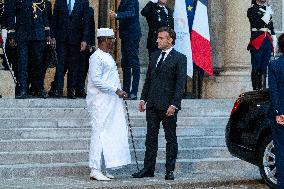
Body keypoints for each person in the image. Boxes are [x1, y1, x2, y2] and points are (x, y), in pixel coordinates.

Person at [132, 27, 187, 180]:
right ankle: (148, 169)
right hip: (152, 105)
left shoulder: (180, 58)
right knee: (150, 139)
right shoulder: (154, 55)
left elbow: (180, 84)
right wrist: (143, 98)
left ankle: (169, 170)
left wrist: (174, 105)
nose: (157, 40)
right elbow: (149, 79)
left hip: (168, 106)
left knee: (170, 139)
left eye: (161, 38)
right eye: (158, 38)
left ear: (170, 40)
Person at [86, 28, 131, 181]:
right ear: (103, 39)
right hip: (100, 102)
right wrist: (116, 90)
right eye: (111, 38)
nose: (113, 41)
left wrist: (118, 91)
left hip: (110, 102)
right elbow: (96, 80)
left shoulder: (107, 56)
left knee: (108, 133)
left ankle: (103, 167)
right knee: (99, 134)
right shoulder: (96, 57)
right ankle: (94, 168)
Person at [6, 0, 52, 99]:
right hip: (22, 34)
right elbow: (11, 14)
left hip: (38, 35)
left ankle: (39, 88)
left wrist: (48, 34)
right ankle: (23, 89)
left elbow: (44, 15)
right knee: (22, 63)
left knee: (39, 63)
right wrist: (11, 35)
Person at [49, 0, 89, 99]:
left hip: (76, 39)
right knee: (60, 65)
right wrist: (52, 36)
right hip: (61, 38)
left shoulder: (83, 2)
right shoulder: (59, 1)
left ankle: (71, 90)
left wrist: (84, 39)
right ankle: (59, 90)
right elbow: (54, 20)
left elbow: (86, 22)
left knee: (73, 66)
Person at [109, 0, 141, 100]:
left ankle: (134, 92)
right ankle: (126, 90)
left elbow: (131, 13)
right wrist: (120, 27)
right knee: (125, 63)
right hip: (125, 35)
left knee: (134, 63)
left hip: (132, 35)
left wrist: (116, 14)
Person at [247, 0, 277, 90]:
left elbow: (270, 26)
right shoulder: (252, 9)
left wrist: (274, 36)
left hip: (267, 40)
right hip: (257, 40)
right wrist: (266, 15)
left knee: (264, 67)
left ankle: (263, 89)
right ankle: (256, 90)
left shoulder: (267, 9)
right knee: (256, 66)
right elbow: (256, 24)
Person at [268, 33, 284, 189]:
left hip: (281, 114)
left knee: (281, 151)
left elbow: (273, 92)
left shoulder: (274, 65)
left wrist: (279, 112)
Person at [75, 6, 96, 98]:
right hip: (72, 43)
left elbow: (91, 28)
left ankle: (80, 89)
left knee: (83, 68)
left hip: (86, 45)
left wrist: (92, 44)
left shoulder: (89, 10)